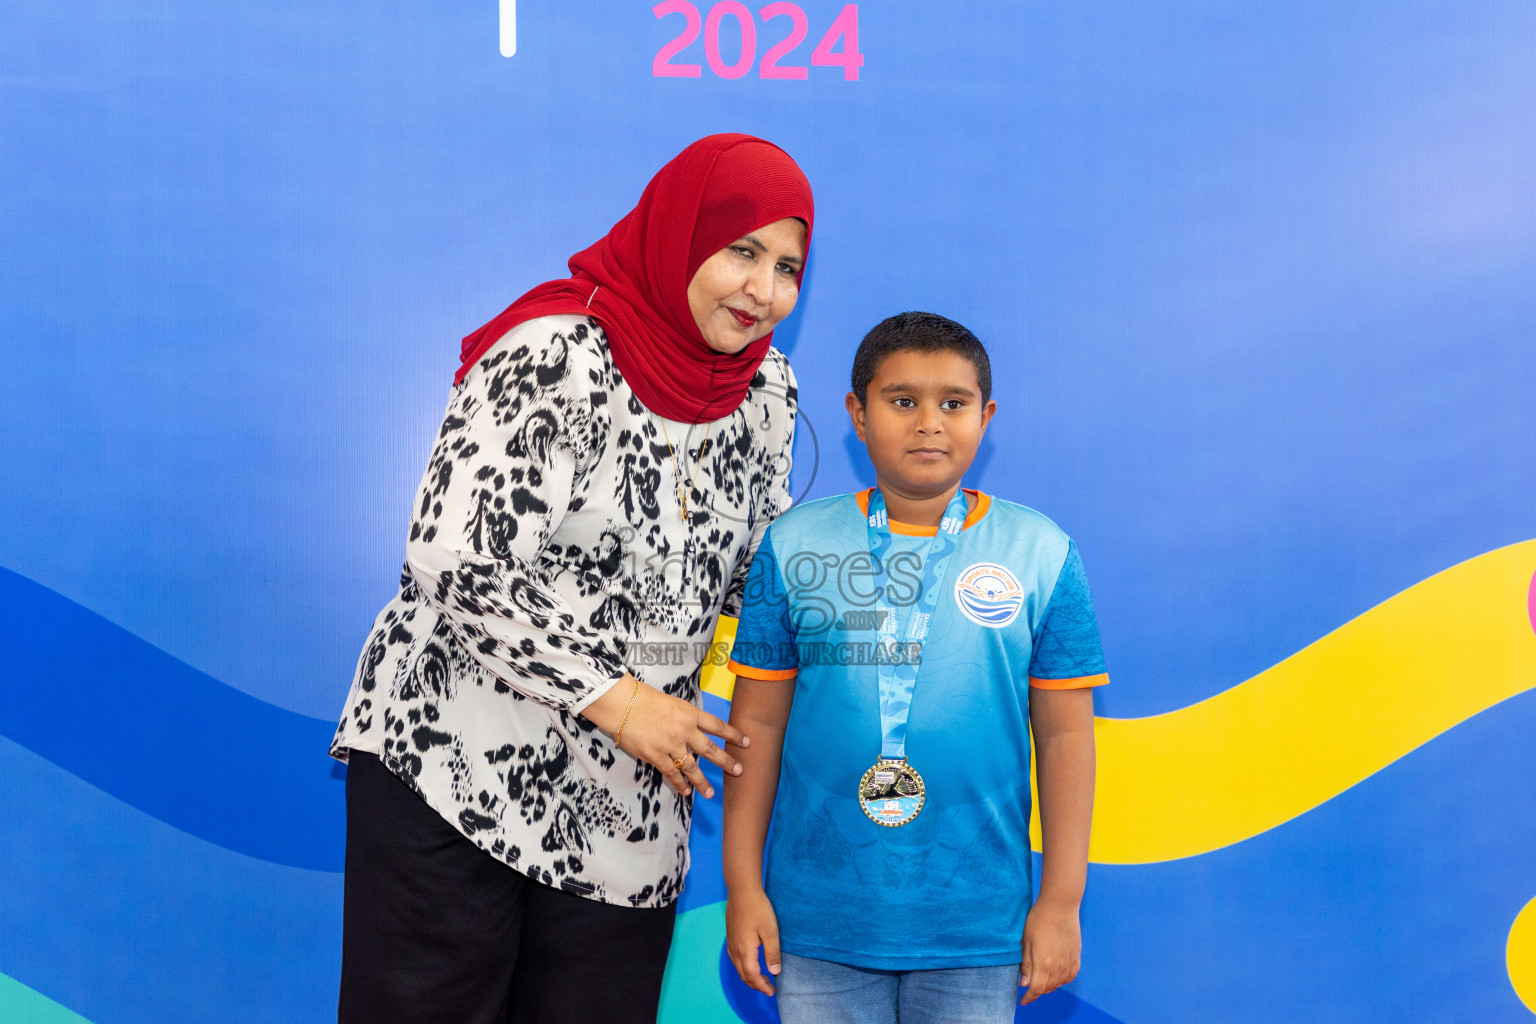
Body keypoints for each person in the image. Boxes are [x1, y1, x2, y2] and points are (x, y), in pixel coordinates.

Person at [329, 133, 814, 1024]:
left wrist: (875, 603)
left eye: (787, 266)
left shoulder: (767, 390)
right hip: (457, 764)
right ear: (679, 233)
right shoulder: (560, 351)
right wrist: (620, 700)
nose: (764, 289)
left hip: (630, 807)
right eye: (742, 250)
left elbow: (752, 566)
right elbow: (454, 560)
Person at [722, 311, 1106, 1023]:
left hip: (977, 924)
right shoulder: (791, 545)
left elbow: (1066, 739)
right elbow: (757, 728)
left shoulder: (1042, 553)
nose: (929, 422)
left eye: (953, 404)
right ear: (857, 414)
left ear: (985, 416)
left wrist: (1060, 902)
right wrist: (744, 887)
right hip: (819, 919)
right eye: (903, 401)